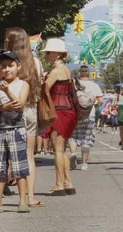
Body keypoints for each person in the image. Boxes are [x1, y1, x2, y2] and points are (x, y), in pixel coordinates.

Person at [0, 50, 31, 213]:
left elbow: (20, 104)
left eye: (10, 66)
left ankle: (23, 201)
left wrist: (8, 92)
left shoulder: (23, 85)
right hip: (1, 130)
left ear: (18, 66)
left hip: (17, 129)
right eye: (3, 66)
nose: (7, 69)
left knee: (19, 167)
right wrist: (2, 106)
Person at [4, 26, 44, 208]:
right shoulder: (35, 61)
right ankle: (30, 197)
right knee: (29, 154)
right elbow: (41, 85)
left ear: (11, 41)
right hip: (30, 110)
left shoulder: (6, 62)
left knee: (4, 153)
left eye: (6, 40)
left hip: (10, 110)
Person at [43, 38, 77, 196]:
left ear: (58, 54)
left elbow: (45, 89)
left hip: (59, 111)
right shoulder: (66, 70)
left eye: (49, 52)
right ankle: (68, 182)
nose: (47, 55)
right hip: (69, 110)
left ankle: (59, 184)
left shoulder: (56, 71)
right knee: (62, 149)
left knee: (57, 149)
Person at [69, 65, 103, 171]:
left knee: (73, 136)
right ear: (88, 73)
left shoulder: (74, 85)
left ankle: (73, 153)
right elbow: (100, 101)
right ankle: (84, 164)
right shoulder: (94, 86)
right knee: (86, 139)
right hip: (89, 115)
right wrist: (94, 106)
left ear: (79, 73)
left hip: (75, 115)